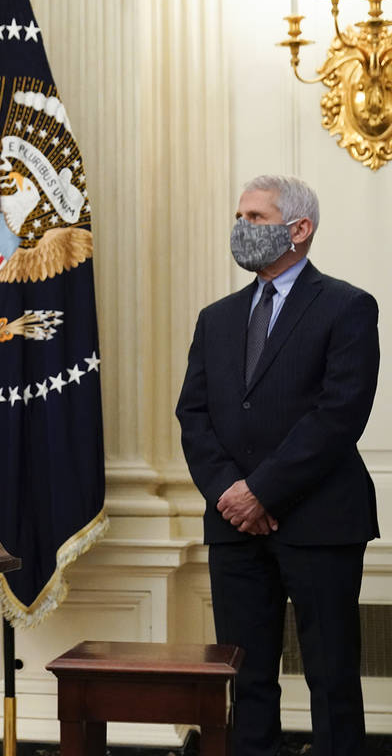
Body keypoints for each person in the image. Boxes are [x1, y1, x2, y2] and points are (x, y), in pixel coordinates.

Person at [176, 175, 379, 756]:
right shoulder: (216, 317)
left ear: (299, 228)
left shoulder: (347, 306)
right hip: (234, 526)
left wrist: (261, 492)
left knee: (331, 677)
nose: (241, 228)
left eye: (256, 218)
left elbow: (339, 416)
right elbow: (193, 414)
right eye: (238, 215)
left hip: (320, 522)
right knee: (246, 680)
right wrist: (230, 493)